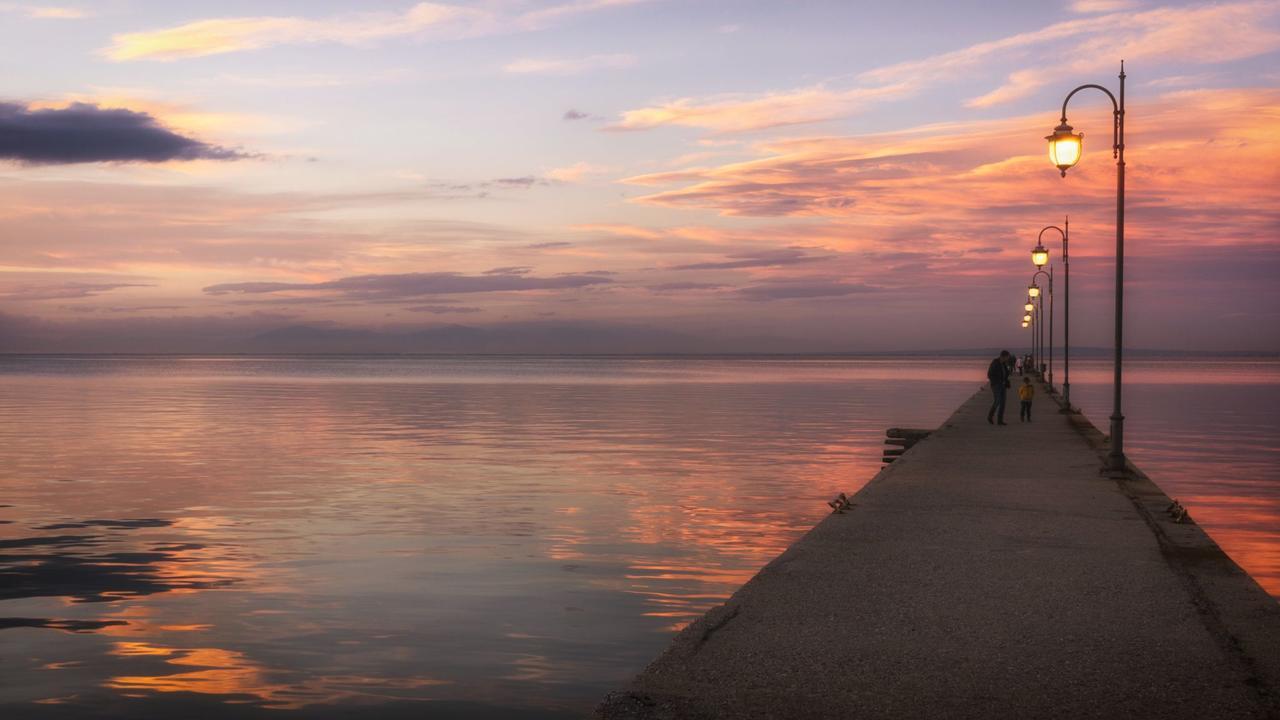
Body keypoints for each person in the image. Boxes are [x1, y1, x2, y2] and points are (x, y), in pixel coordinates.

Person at [986, 350, 1012, 425]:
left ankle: (1000, 420)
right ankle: (990, 416)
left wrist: (1006, 380)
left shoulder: (1003, 364)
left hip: (1003, 385)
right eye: (1007, 357)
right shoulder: (995, 363)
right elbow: (989, 375)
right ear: (1003, 356)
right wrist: (998, 381)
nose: (1008, 358)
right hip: (996, 385)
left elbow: (1005, 374)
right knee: (997, 401)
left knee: (1003, 403)